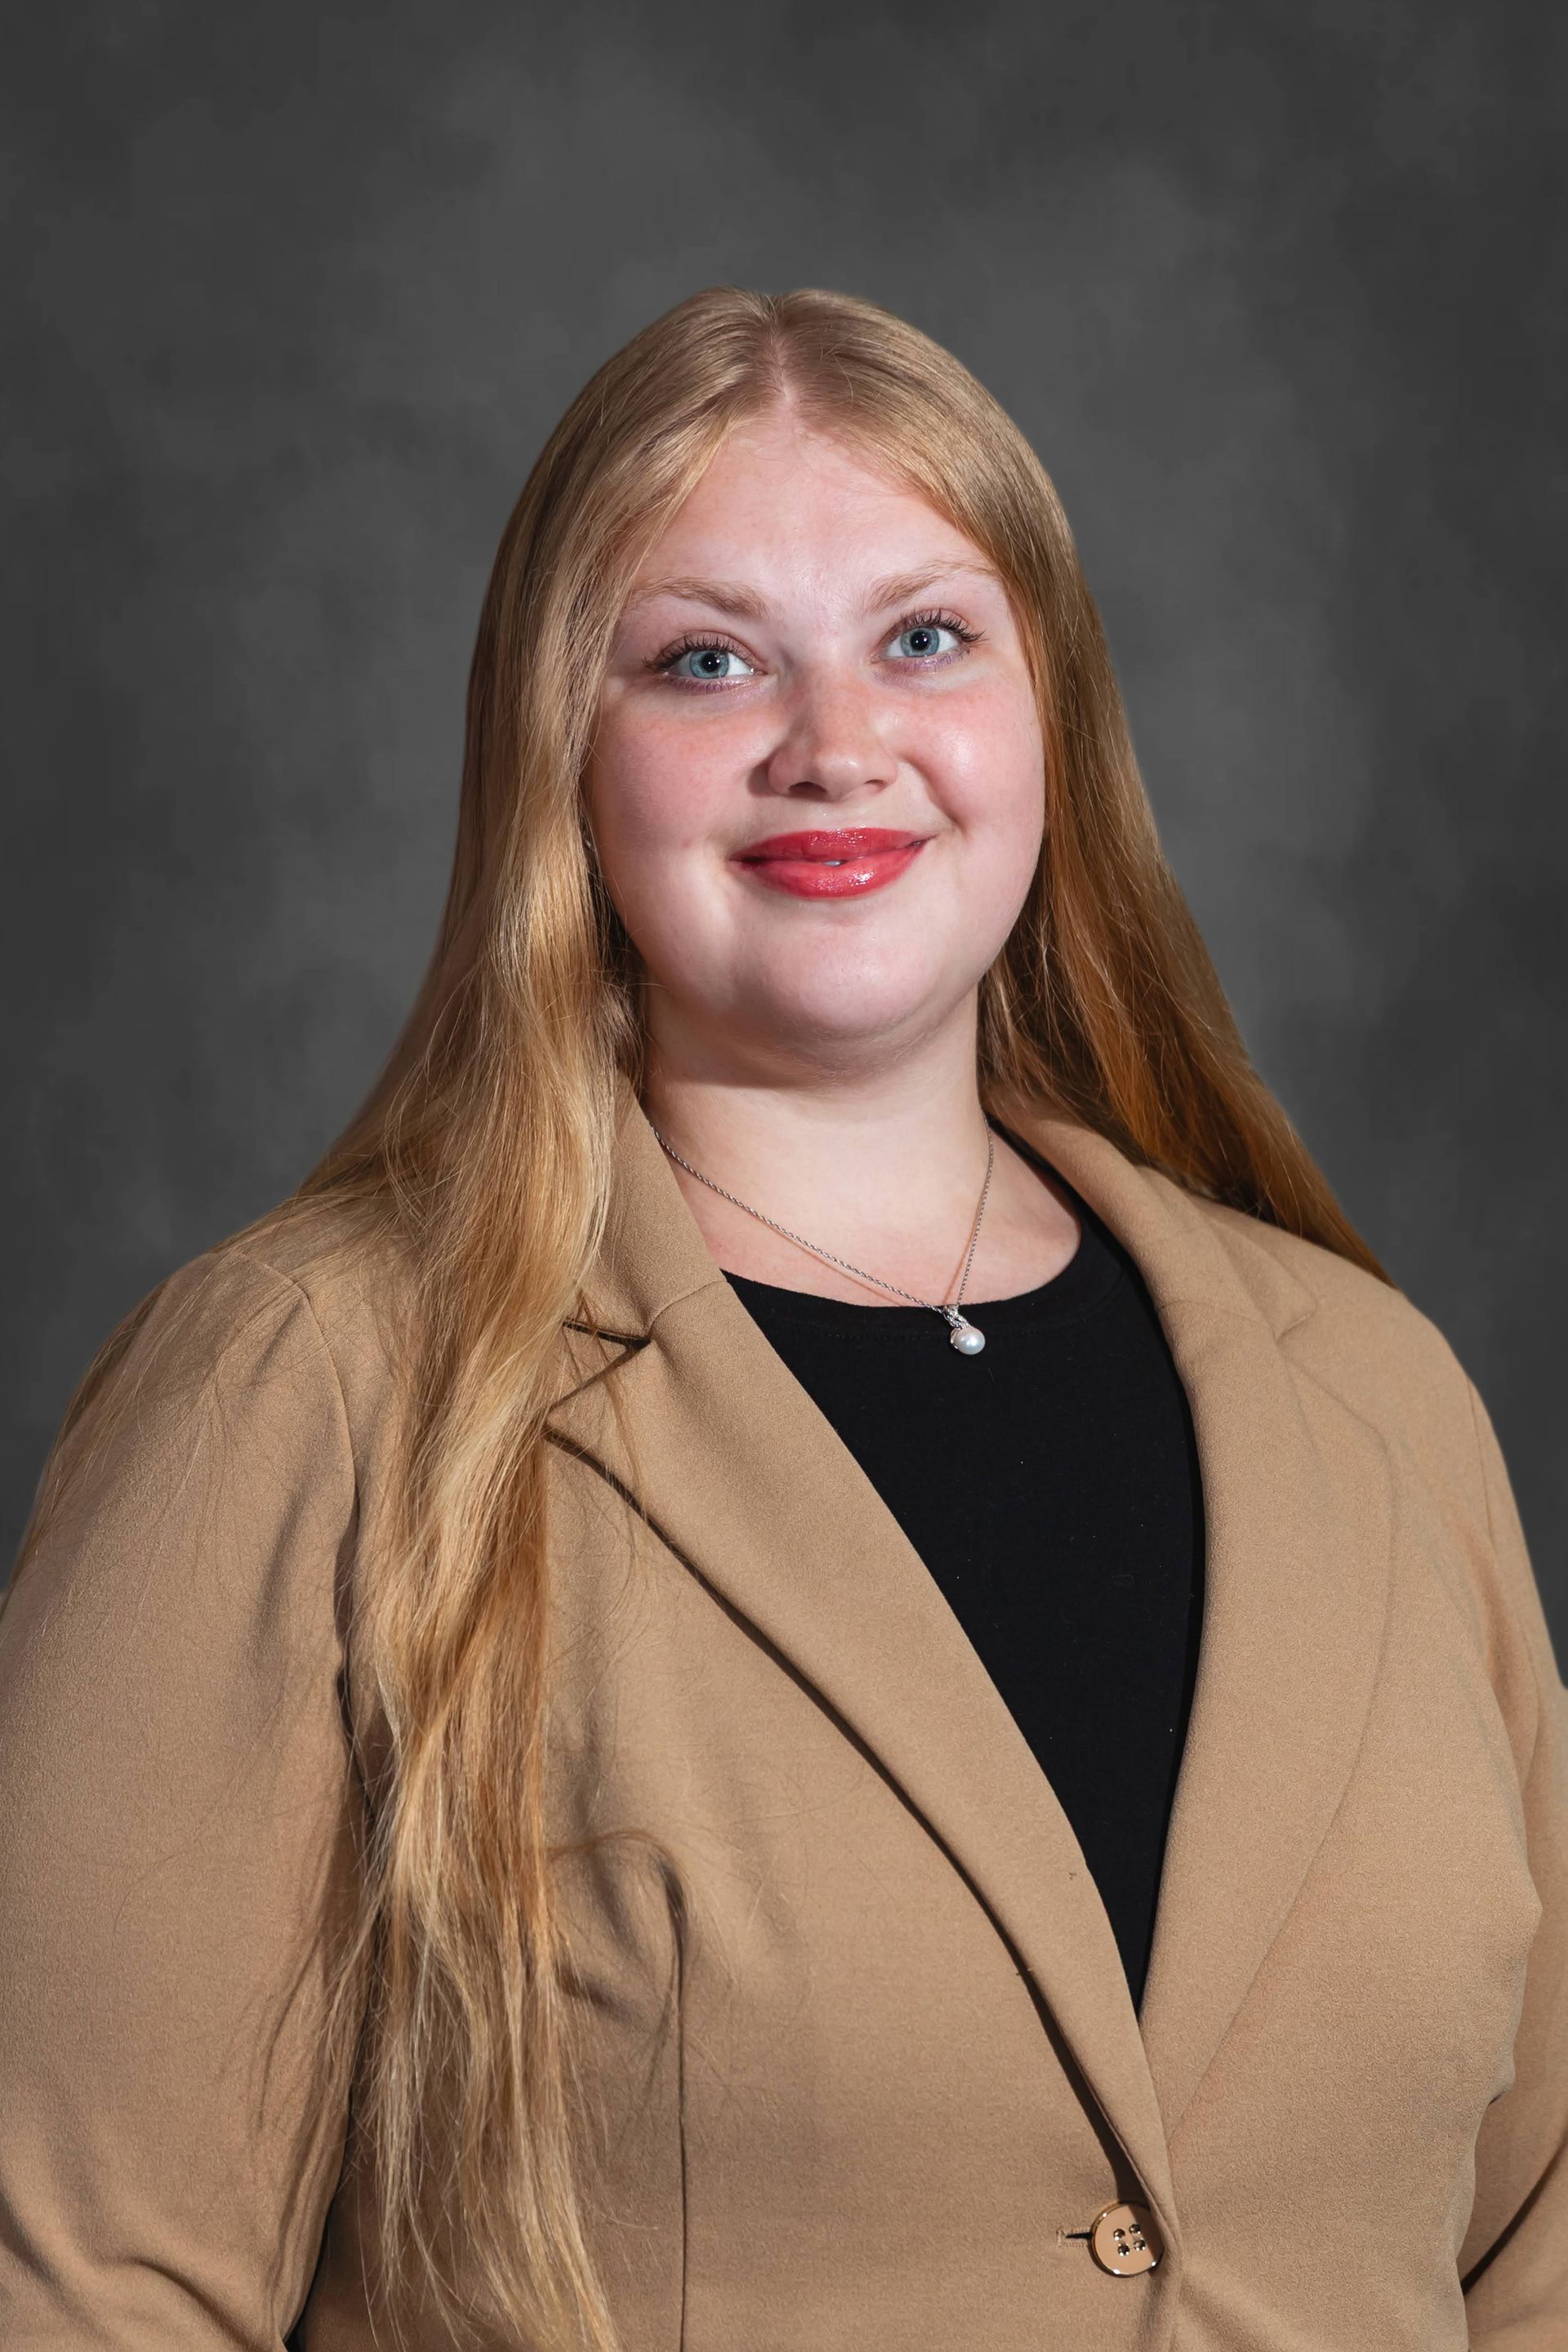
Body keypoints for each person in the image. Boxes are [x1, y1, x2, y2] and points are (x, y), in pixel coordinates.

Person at [1, 285, 1562, 2352]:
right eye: (705, 660)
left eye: (925, 636)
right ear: (562, 755)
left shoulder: (1379, 1397)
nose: (835, 744)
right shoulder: (304, 1394)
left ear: (1052, 721)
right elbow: (78, 2293)